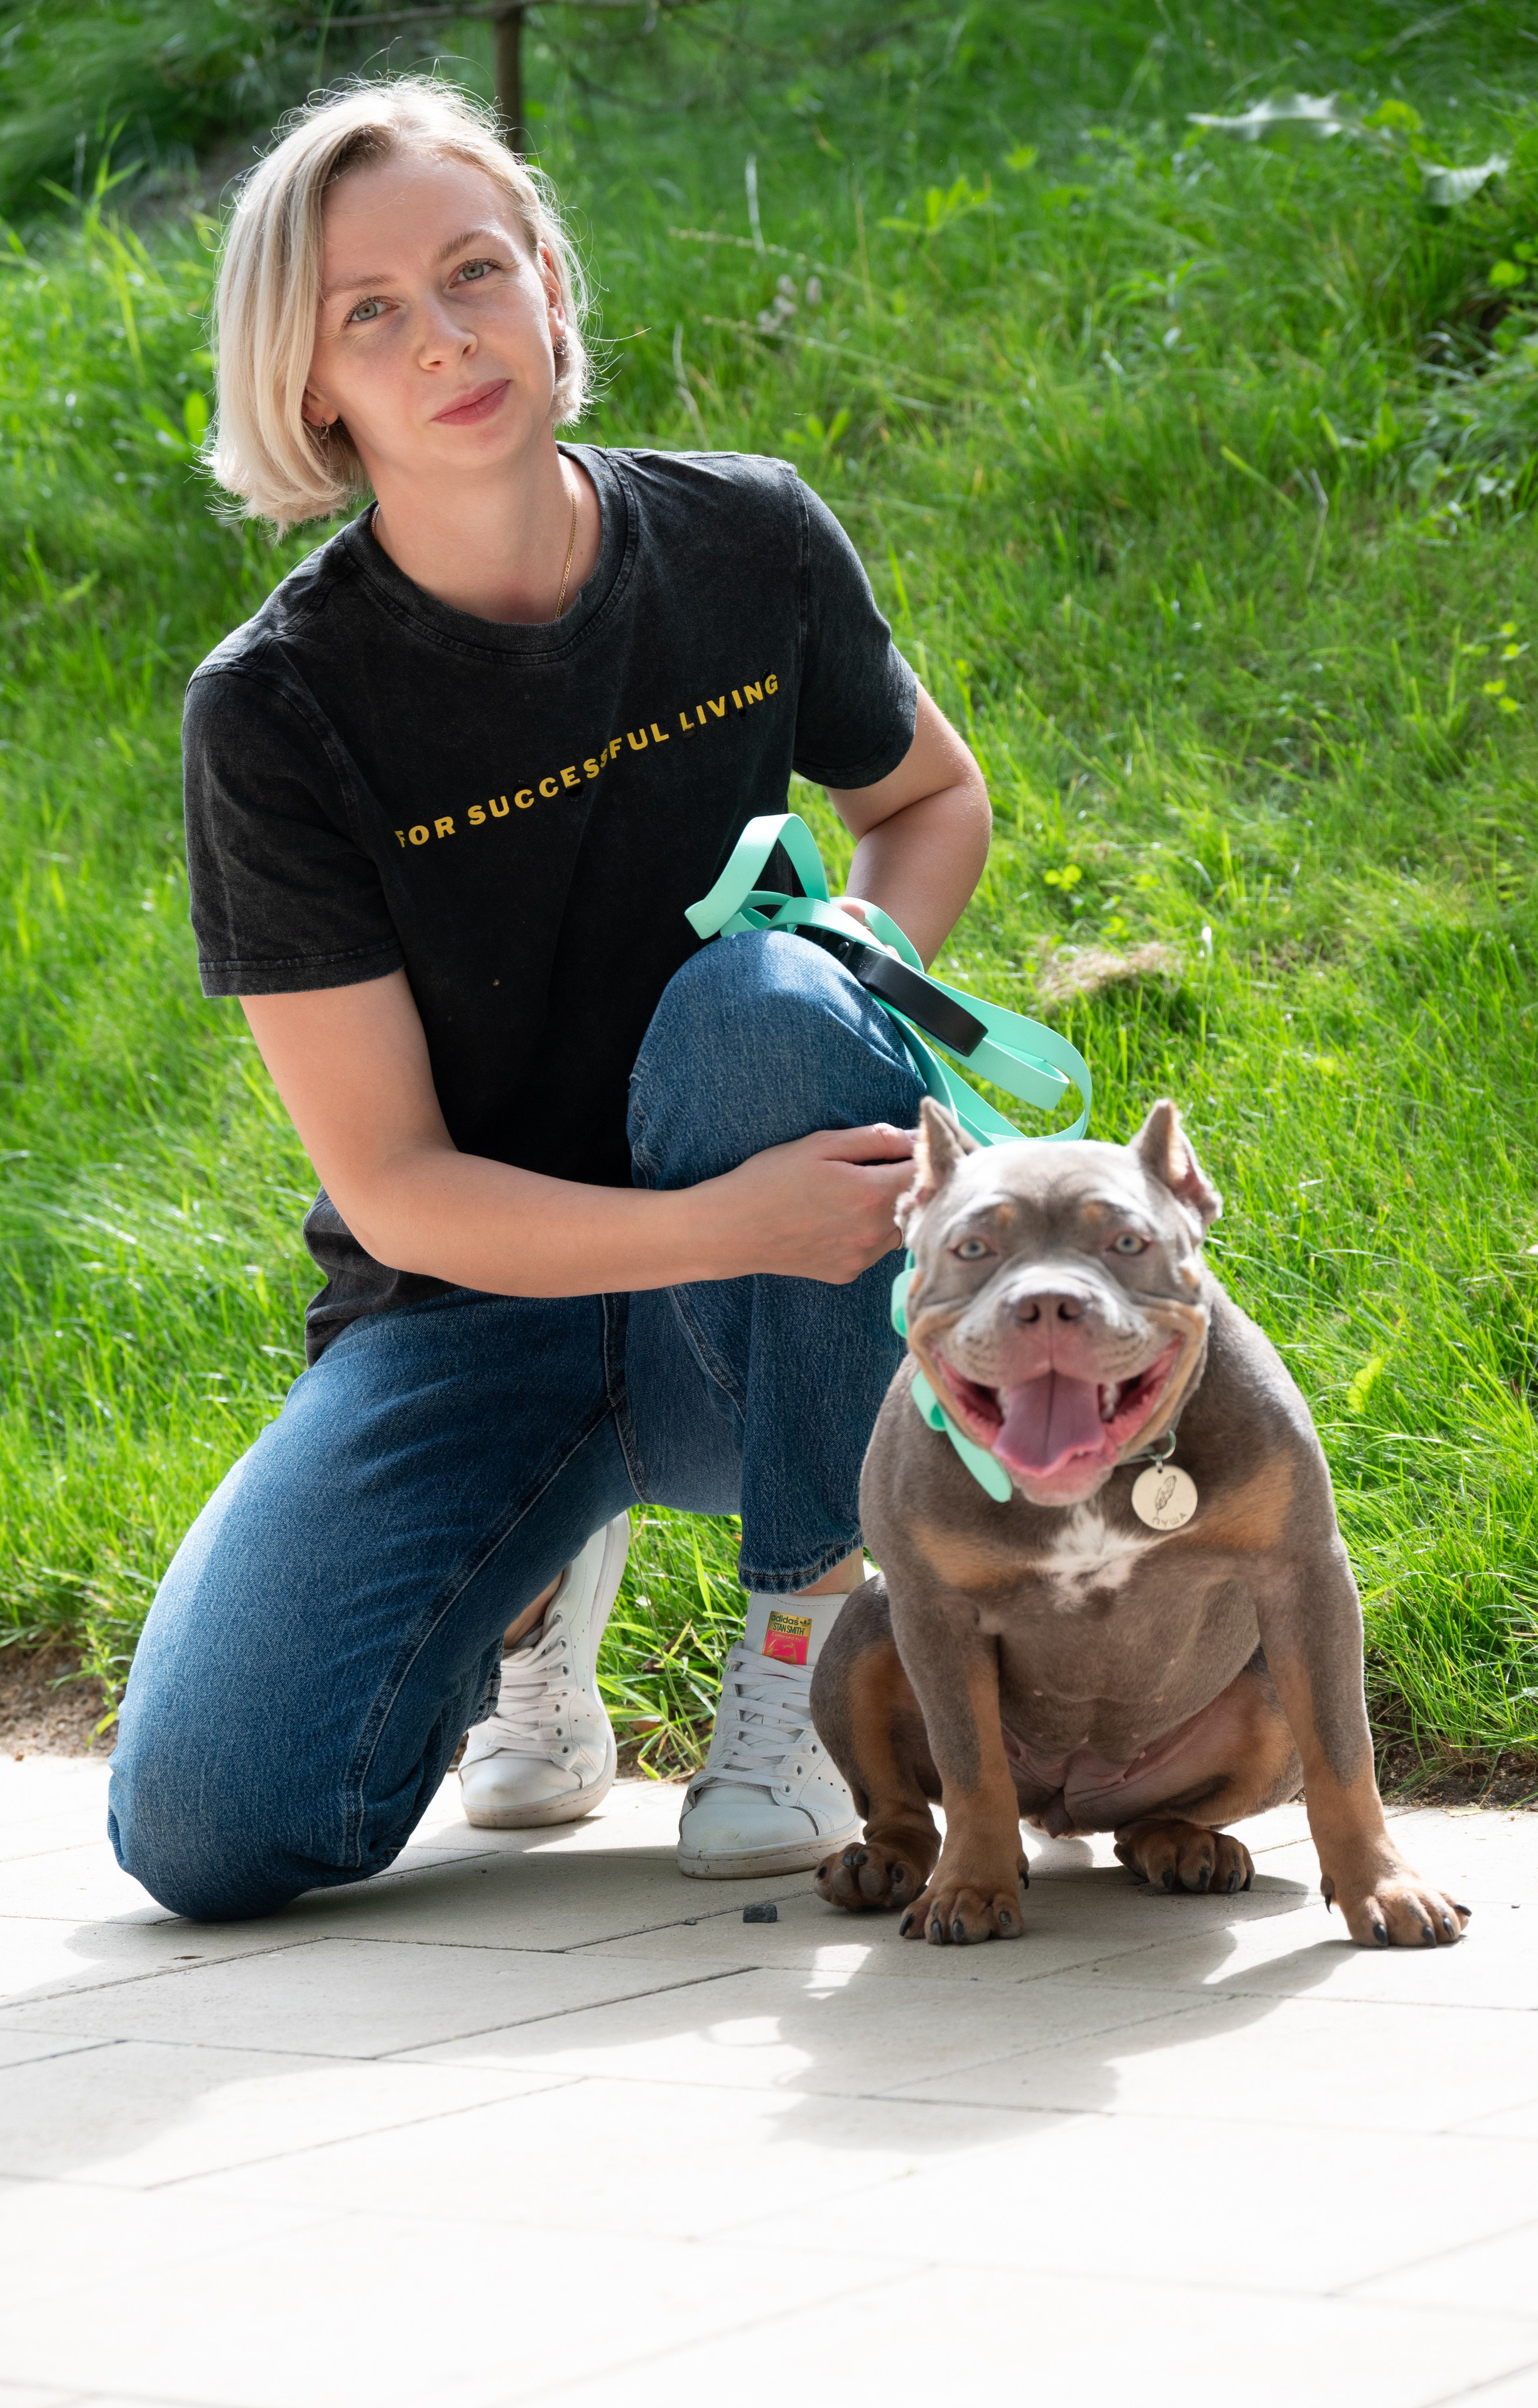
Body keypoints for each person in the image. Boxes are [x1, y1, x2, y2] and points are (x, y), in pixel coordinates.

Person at [107, 78, 990, 1921]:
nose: (444, 338)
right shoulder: (273, 711)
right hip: (465, 1309)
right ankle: (533, 1596)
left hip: (764, 1294)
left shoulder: (748, 541)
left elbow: (926, 800)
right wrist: (708, 1214)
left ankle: (802, 1663)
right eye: (371, 313)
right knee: (205, 1830)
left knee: (771, 995)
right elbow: (405, 1182)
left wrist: (856, 974)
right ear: (310, 386)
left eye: (475, 271)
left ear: (553, 290)